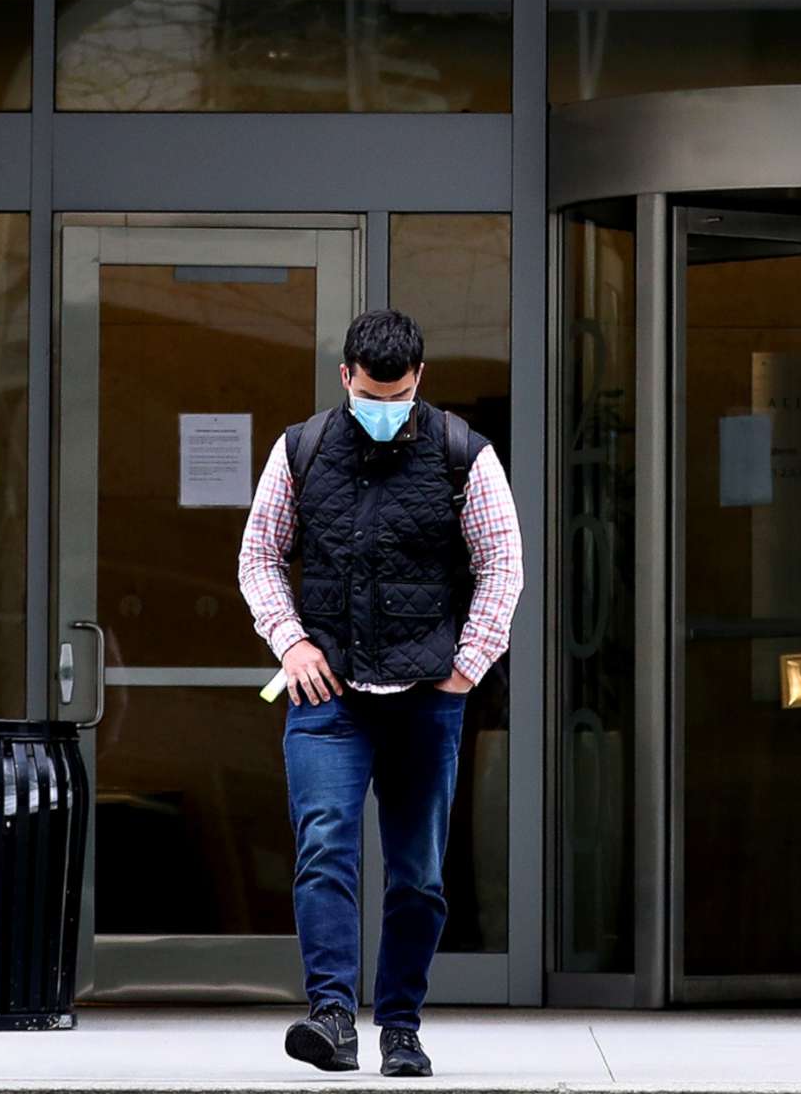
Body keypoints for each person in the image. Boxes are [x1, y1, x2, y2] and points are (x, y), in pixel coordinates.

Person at [235, 309, 522, 1077]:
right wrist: (289, 642)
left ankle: (400, 1025)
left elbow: (503, 565)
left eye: (396, 394)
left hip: (427, 696)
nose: (383, 406)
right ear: (344, 378)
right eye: (370, 393)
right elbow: (259, 555)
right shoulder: (303, 448)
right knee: (324, 846)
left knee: (419, 872)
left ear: (419, 380)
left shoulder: (465, 454)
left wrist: (468, 665)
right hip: (327, 694)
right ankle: (332, 1016)